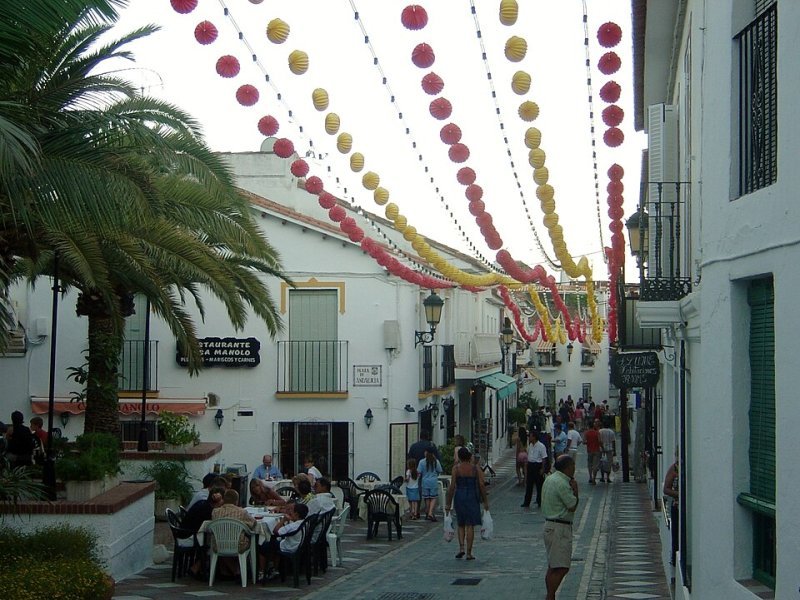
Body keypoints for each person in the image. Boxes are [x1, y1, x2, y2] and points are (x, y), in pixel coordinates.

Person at [541, 454, 579, 600]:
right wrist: (576, 491)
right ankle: (550, 596)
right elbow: (572, 505)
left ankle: (551, 595)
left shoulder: (550, 479)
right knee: (562, 566)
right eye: (573, 466)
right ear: (568, 467)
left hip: (550, 525)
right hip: (559, 528)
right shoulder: (563, 483)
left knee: (553, 565)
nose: (574, 469)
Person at [445, 446, 489, 561]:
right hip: (471, 496)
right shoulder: (475, 468)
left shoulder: (456, 469)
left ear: (459, 457)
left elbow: (452, 486)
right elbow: (481, 484)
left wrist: (448, 503)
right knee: (470, 525)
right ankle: (469, 553)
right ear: (469, 456)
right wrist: (485, 501)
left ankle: (461, 548)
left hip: (459, 495)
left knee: (461, 523)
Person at [259, 501, 309, 582]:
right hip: (298, 545)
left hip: (289, 547)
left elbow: (275, 531)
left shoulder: (292, 526)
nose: (290, 513)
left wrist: (283, 520)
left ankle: (261, 572)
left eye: (292, 511)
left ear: (296, 514)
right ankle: (274, 568)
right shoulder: (305, 523)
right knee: (276, 543)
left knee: (263, 546)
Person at [520, 429, 547, 509]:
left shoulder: (541, 446)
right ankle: (526, 502)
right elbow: (529, 454)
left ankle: (540, 501)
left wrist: (543, 468)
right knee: (529, 485)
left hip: (537, 465)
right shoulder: (530, 445)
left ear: (534, 437)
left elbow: (544, 458)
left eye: (530, 436)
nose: (529, 438)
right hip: (530, 465)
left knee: (539, 485)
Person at [417, 447, 442, 521]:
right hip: (433, 481)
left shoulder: (422, 462)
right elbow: (439, 470)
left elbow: (419, 472)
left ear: (426, 453)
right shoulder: (436, 461)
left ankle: (428, 512)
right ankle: (430, 512)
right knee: (433, 497)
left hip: (425, 481)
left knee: (427, 498)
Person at [663, 454, 679, 566]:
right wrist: (679, 494)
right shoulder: (674, 468)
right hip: (677, 506)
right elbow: (666, 489)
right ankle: (675, 558)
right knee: (676, 534)